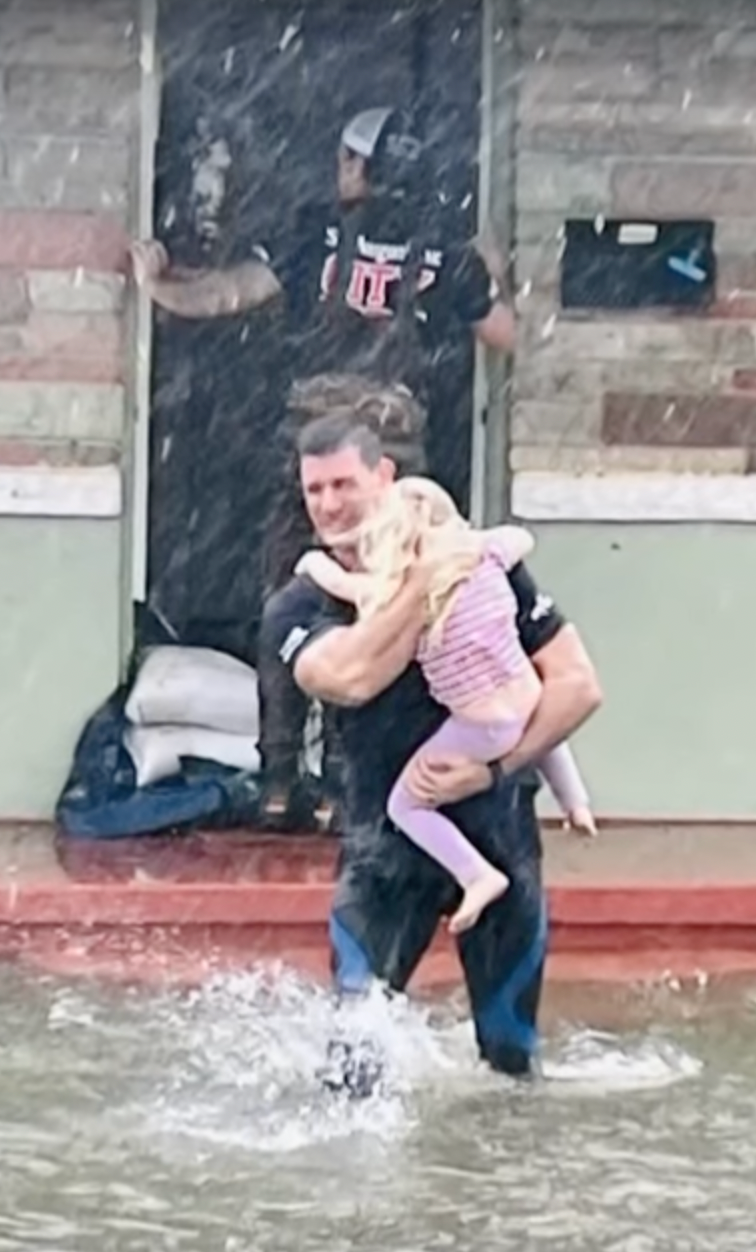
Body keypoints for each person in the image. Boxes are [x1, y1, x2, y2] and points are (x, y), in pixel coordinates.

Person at [130, 105, 518, 833]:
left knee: (290, 601)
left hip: (314, 444)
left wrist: (160, 287)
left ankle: (279, 781)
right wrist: (490, 268)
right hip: (394, 456)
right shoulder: (442, 245)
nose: (338, 170)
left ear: (361, 167)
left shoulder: (315, 231)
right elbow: (503, 333)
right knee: (380, 614)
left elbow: (231, 292)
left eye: (346, 158)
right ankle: (352, 784)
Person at [260, 414, 604, 1090]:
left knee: (511, 1074)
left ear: (385, 478)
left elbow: (576, 685)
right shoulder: (300, 604)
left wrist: (495, 768)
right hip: (385, 849)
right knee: (352, 1072)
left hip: (498, 840)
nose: (328, 505)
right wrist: (421, 583)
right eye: (313, 490)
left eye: (343, 485)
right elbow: (352, 678)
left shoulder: (479, 566)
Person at [293, 476, 595, 934]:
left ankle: (477, 875)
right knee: (544, 721)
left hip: (483, 726)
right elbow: (522, 538)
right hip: (525, 697)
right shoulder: (488, 555)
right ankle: (577, 803)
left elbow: (348, 588)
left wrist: (314, 562)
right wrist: (471, 543)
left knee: (406, 807)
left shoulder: (403, 591)